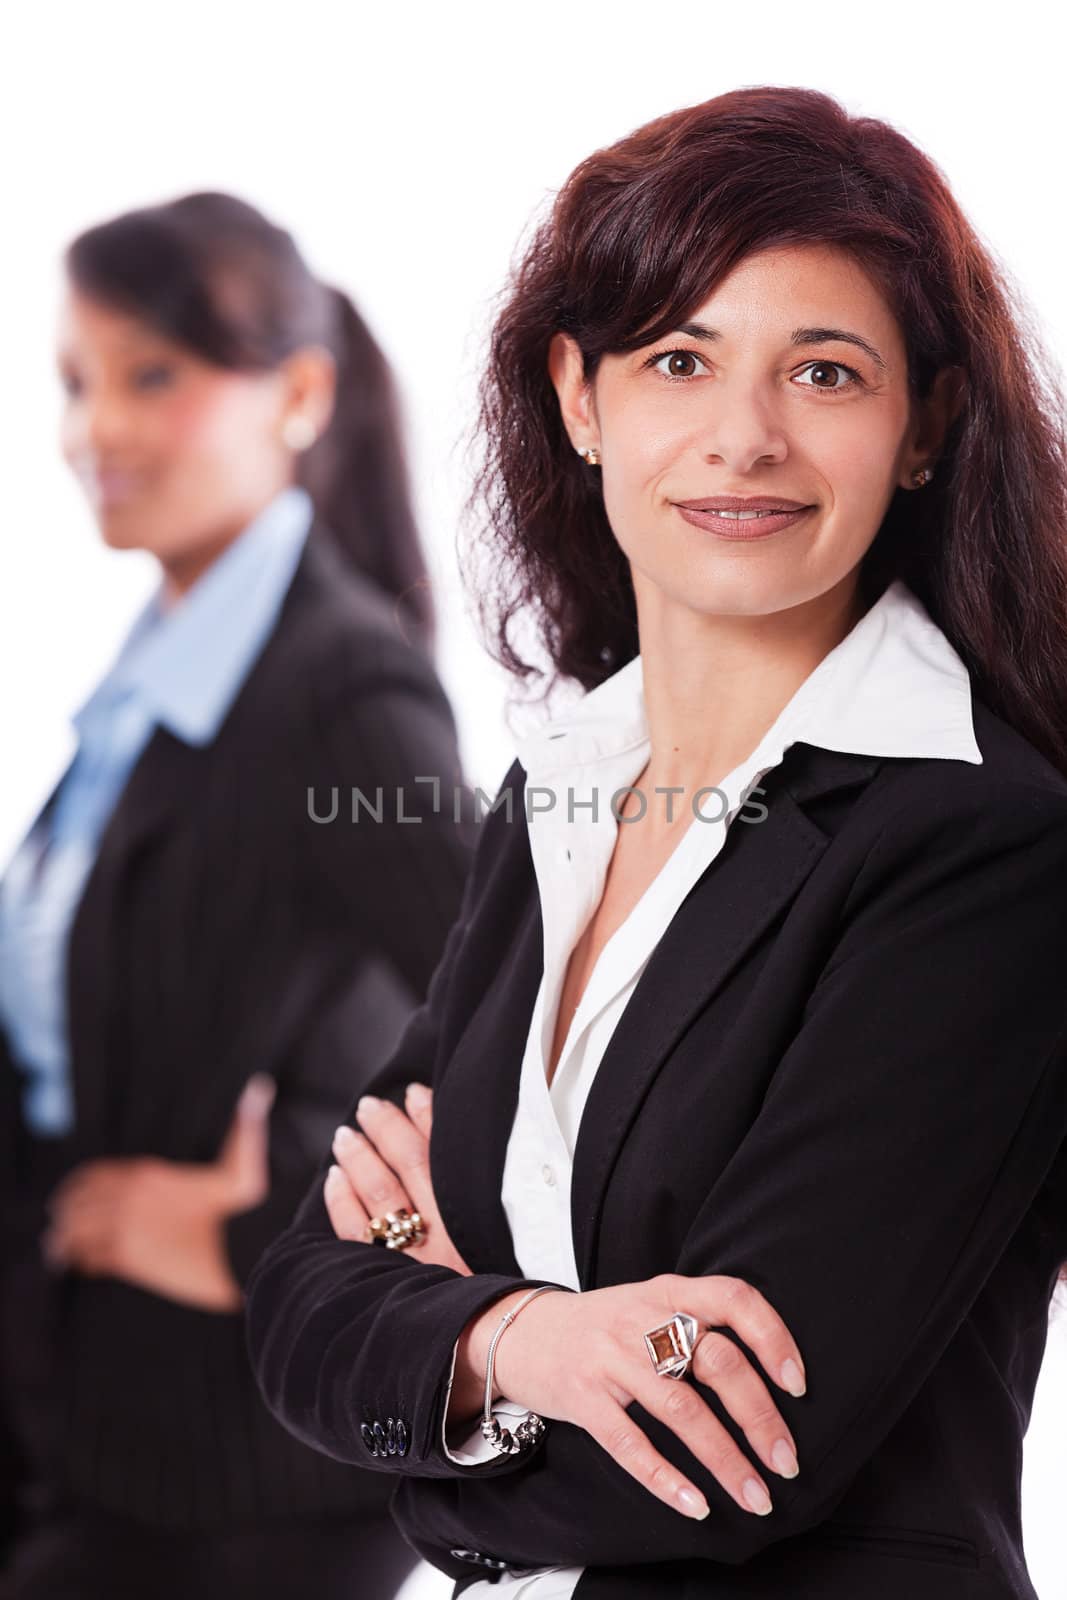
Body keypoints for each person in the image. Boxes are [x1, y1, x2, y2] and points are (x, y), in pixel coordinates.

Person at [244, 87, 1067, 1600]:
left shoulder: (983, 851)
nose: (743, 438)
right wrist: (526, 1341)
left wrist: (433, 1367)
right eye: (679, 360)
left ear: (926, 425)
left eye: (825, 371)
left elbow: (727, 1459)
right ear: (581, 397)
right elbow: (295, 1302)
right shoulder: (558, 790)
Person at [0, 191, 476, 1598]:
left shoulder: (338, 688)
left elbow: (522, 1018)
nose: (98, 432)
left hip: (233, 1476)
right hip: (83, 1429)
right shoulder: (157, 685)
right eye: (78, 384)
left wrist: (260, 1227)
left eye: (155, 376)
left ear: (301, 393)